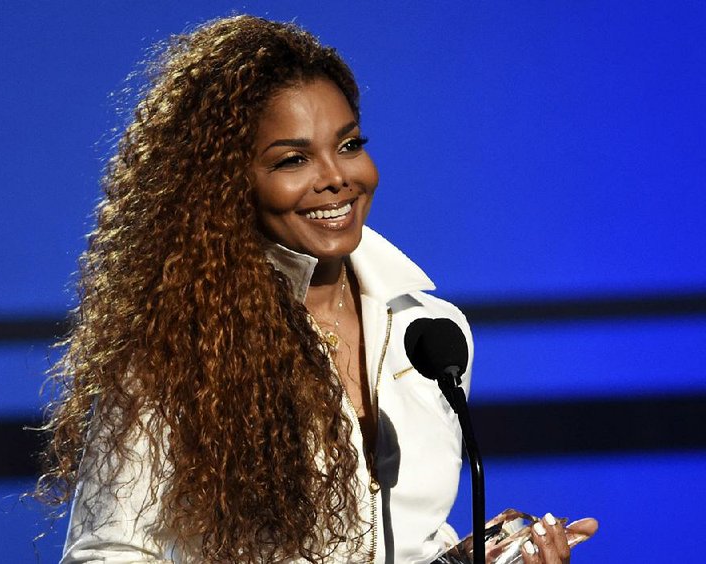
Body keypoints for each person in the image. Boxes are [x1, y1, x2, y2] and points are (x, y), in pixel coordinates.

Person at [36, 15, 595, 563]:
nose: (337, 177)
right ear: (225, 183)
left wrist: (465, 558)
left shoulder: (431, 331)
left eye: (349, 144)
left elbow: (411, 536)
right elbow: (105, 554)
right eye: (293, 159)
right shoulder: (174, 349)